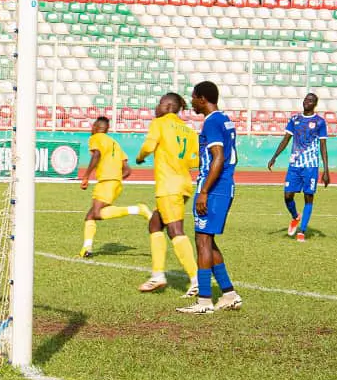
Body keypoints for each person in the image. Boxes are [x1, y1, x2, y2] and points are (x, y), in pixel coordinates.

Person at [178, 81, 241, 314]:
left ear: (202, 98)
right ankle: (229, 294)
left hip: (214, 189)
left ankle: (204, 301)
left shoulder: (212, 122)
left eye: (193, 97)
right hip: (222, 187)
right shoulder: (224, 119)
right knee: (208, 240)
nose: (192, 101)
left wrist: (204, 191)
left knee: (202, 241)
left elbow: (218, 157)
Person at [135, 93, 200, 296]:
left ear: (168, 106)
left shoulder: (160, 123)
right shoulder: (189, 131)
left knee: (175, 230)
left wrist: (140, 157)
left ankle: (197, 279)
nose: (157, 107)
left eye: (160, 103)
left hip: (168, 186)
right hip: (184, 184)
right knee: (155, 223)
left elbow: (148, 146)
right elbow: (194, 161)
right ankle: (158, 275)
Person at [79, 117, 151, 258]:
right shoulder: (115, 143)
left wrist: (86, 175)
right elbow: (127, 170)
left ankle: (138, 209)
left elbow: (97, 154)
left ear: (95, 127)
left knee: (96, 214)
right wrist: (116, 178)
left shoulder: (96, 138)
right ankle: (86, 248)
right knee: (90, 216)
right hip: (115, 183)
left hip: (106, 182)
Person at [266, 93, 330, 242]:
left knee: (308, 197)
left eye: (310, 100)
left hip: (311, 166)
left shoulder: (320, 122)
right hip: (294, 164)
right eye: (306, 99)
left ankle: (302, 230)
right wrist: (274, 156)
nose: (306, 102)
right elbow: (286, 139)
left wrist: (326, 171)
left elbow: (323, 146)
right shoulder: (295, 119)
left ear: (315, 104)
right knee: (288, 195)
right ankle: (295, 217)